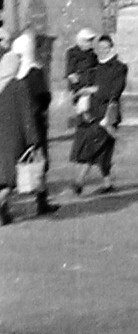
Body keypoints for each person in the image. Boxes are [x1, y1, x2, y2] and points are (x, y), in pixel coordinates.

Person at [71, 33, 127, 195]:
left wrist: (92, 90)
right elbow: (83, 83)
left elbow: (114, 91)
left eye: (106, 47)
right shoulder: (94, 66)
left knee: (92, 146)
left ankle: (79, 180)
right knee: (104, 149)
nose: (102, 51)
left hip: (107, 114)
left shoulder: (119, 67)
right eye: (100, 48)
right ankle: (107, 183)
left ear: (111, 48)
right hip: (93, 112)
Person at [13, 32, 57, 215]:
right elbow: (44, 97)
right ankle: (41, 201)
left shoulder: (13, 72)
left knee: (18, 159)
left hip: (17, 121)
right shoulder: (35, 71)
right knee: (38, 159)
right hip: (36, 120)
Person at [0, 48, 39, 227]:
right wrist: (33, 140)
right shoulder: (18, 86)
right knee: (12, 177)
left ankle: (4, 213)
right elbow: (27, 116)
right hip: (13, 137)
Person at [64, 28, 98, 110]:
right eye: (88, 41)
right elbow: (71, 73)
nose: (90, 43)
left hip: (91, 87)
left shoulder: (92, 54)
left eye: (91, 41)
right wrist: (78, 88)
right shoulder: (72, 53)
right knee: (82, 110)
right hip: (80, 89)